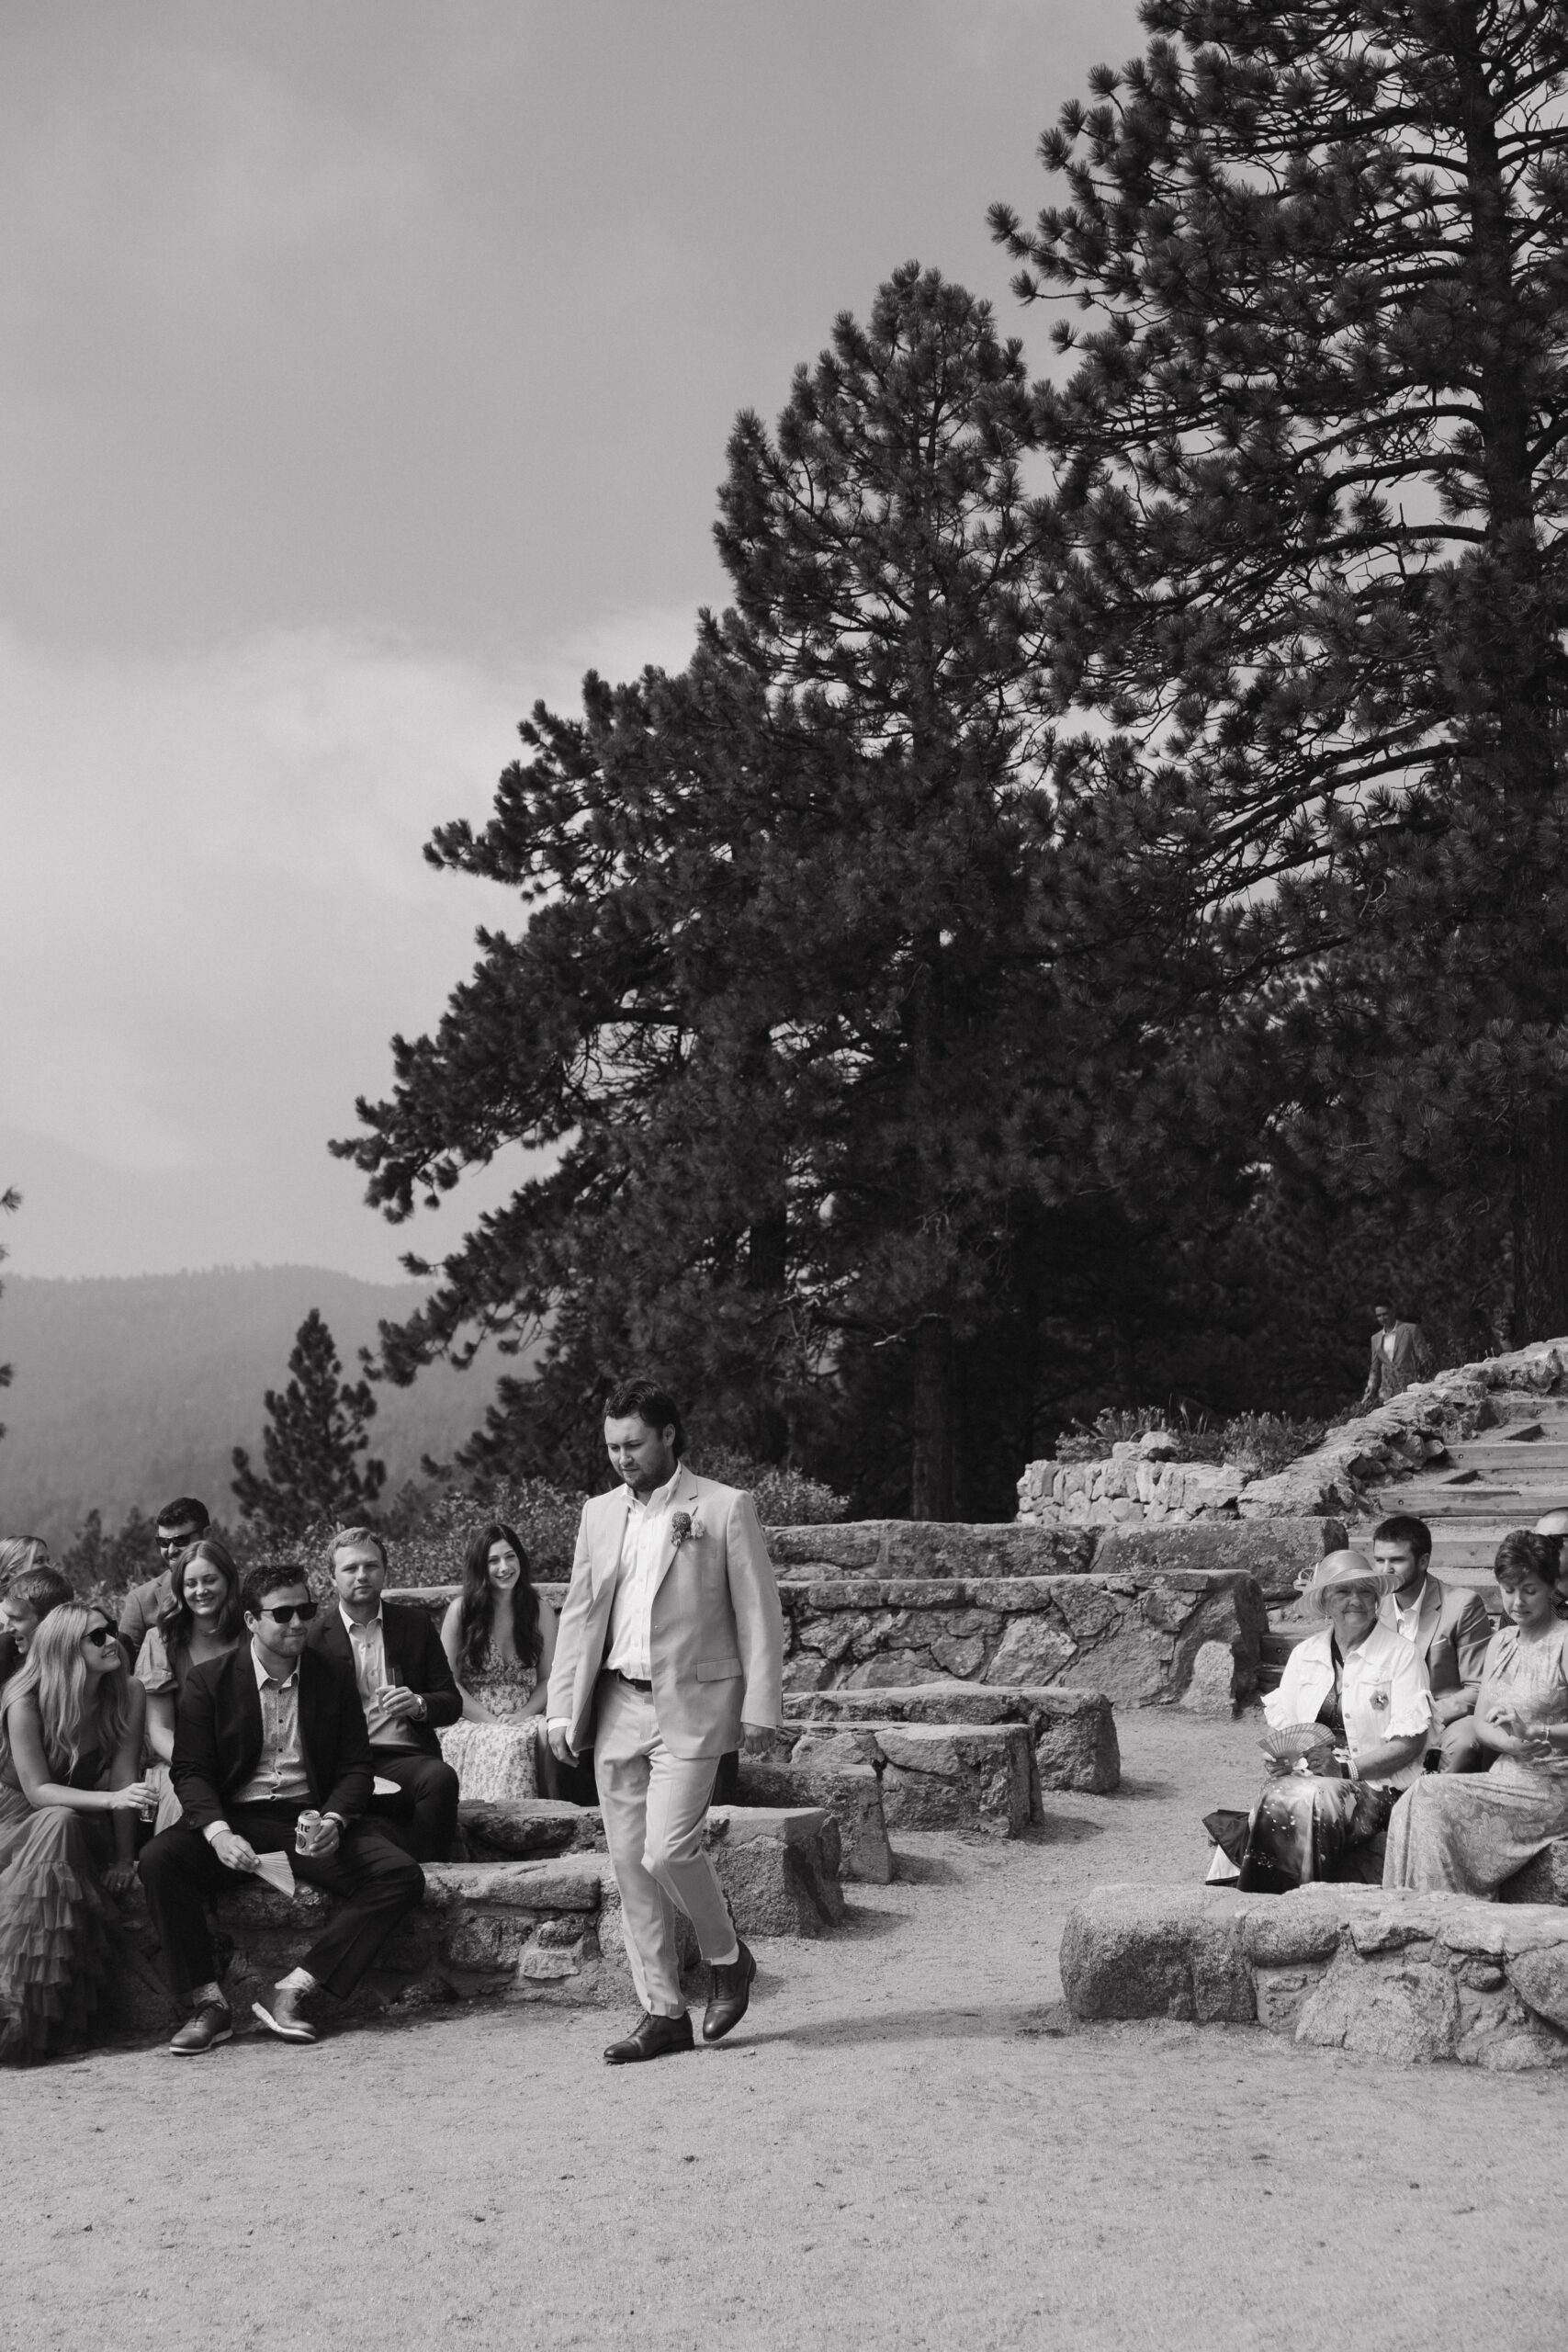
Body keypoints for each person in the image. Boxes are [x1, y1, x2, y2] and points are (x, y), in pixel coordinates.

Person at [546, 1377, 784, 2064]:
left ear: (669, 1435)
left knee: (668, 1849)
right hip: (614, 1702)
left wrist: (760, 1704)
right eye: (611, 1445)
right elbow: (581, 1614)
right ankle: (661, 2013)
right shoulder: (596, 1514)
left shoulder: (722, 1506)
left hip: (695, 1702)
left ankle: (726, 1958)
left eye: (633, 1443)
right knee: (629, 1867)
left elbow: (757, 1612)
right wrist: (563, 1705)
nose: (620, 1456)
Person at [137, 1561, 425, 2054]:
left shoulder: (332, 1676)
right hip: (236, 1821)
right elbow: (190, 1771)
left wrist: (335, 1819)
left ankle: (292, 1988)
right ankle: (208, 2005)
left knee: (400, 1875)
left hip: (307, 1824)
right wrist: (219, 1834)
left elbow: (357, 1767)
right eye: (283, 1614)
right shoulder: (210, 1682)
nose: (298, 1623)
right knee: (160, 1861)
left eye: (305, 1611)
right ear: (251, 1620)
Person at [1208, 1551, 1430, 1893]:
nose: (1355, 1600)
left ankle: (1285, 1903)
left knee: (1304, 1799)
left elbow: (1410, 1744)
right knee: (1277, 1792)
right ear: (1326, 1601)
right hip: (1306, 1779)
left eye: (1366, 1592)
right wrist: (1278, 1760)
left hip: (1378, 1788)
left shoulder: (1402, 1654)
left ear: (1377, 1599)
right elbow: (1283, 1730)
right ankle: (1267, 1905)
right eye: (1343, 1592)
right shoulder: (1305, 1655)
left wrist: (1346, 1770)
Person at [0, 1601, 152, 2061]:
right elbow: (38, 1790)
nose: (112, 1642)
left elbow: (126, 1777)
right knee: (57, 1821)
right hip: (14, 1822)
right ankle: (21, 2012)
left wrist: (125, 1859)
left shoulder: (128, 1690)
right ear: (67, 1649)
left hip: (79, 1823)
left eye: (109, 1631)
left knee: (63, 1824)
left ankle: (26, 2016)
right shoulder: (24, 1700)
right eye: (97, 1637)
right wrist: (109, 1801)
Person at [1385, 1531, 1568, 1896]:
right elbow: (1481, 1723)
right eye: (1508, 1589)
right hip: (1507, 1773)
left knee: (1430, 1797)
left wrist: (1536, 1732)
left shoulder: (1564, 1642)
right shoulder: (1502, 1641)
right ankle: (1418, 1912)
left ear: (1552, 1587)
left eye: (1529, 1590)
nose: (1517, 1602)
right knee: (1415, 1799)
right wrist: (1510, 1743)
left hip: (1553, 1785)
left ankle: (1443, 1915)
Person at [306, 1528, 462, 1862]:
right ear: (332, 1577)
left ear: (384, 1571)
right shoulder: (313, 1640)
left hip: (405, 1757)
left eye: (371, 1566)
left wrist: (418, 1704)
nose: (362, 1575)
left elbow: (450, 1702)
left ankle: (430, 1874)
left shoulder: (414, 1625)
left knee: (441, 1779)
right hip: (345, 1763)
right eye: (350, 1568)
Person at [136, 1538, 245, 1827]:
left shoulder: (251, 1635)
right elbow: (159, 1728)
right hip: (180, 1760)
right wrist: (197, 1766)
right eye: (191, 1584)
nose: (201, 1591)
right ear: (179, 1589)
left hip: (247, 1758)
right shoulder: (161, 1641)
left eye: (210, 1580)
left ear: (228, 1581)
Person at [1372, 1513, 1493, 1771]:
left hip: (1445, 1718)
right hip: (1384, 1715)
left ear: (1424, 1561)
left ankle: (1437, 1808)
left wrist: (1423, 1716)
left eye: (1397, 1560)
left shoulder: (1462, 1605)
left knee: (1465, 1742)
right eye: (1379, 1560)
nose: (1386, 1570)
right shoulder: (1373, 1606)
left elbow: (1479, 1687)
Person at [441, 1521, 558, 1724]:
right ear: (480, 1567)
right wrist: (491, 1722)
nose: (504, 1567)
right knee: (511, 1746)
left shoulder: (541, 1611)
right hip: (472, 1721)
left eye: (510, 1557)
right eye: (493, 1561)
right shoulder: (461, 1611)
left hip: (526, 1718)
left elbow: (549, 1679)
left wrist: (522, 1716)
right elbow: (448, 1681)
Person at [117, 1496, 210, 1663]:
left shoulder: (241, 1590)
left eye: (181, 1540)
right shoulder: (141, 1601)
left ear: (207, 1535)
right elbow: (124, 1669)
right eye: (163, 1542)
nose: (171, 1550)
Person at [0, 1564, 74, 1687]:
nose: (7, 1629)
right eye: (7, 1617)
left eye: (17, 1619)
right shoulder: (5, 1652)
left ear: (51, 1620)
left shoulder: (95, 1653)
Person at [1357, 1303, 1434, 1410]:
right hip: (1386, 1392)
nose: (1382, 1318)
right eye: (1379, 1316)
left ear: (1393, 1312)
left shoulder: (1411, 1330)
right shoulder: (1375, 1338)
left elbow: (1424, 1359)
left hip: (1411, 1387)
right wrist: (1370, 1387)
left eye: (1385, 1314)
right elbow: (1374, 1369)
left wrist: (1425, 1380)